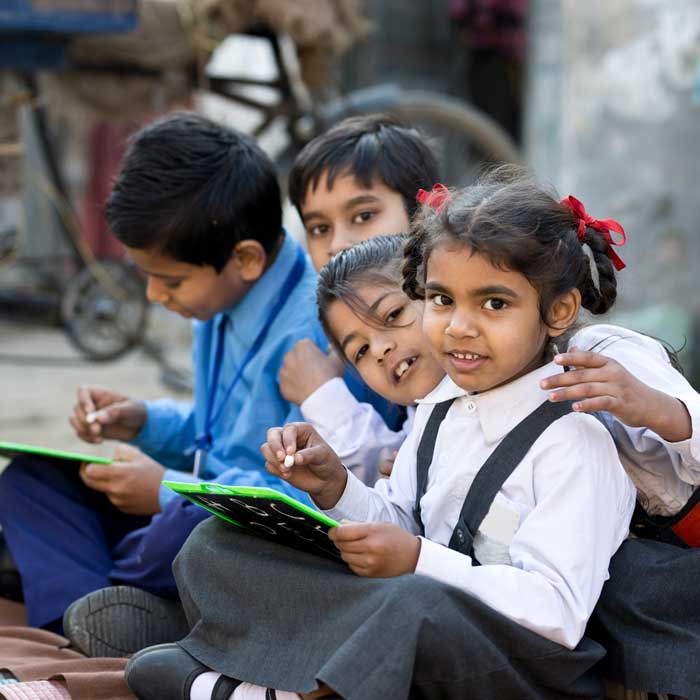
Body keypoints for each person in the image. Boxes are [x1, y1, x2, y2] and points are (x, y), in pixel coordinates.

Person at [124, 170, 638, 700]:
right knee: (218, 542)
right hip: (418, 621)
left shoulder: (575, 442)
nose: (459, 327)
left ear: (557, 312)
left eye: (493, 304)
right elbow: (399, 518)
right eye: (441, 300)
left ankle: (277, 691)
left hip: (521, 669)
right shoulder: (439, 410)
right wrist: (336, 488)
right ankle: (294, 682)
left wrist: (418, 560)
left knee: (410, 605)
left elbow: (555, 611)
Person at [0, 112, 324, 644]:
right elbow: (210, 429)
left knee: (183, 531)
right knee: (32, 481)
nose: (154, 296)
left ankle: (79, 608)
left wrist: (169, 493)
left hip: (244, 533)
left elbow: (304, 501)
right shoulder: (218, 298)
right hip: (187, 511)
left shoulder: (312, 330)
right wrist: (143, 421)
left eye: (169, 280)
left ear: (244, 259)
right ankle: (95, 620)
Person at [280, 114, 441, 481]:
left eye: (364, 215)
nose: (337, 244)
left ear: (424, 212)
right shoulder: (330, 335)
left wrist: (322, 394)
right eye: (319, 228)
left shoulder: (452, 320)